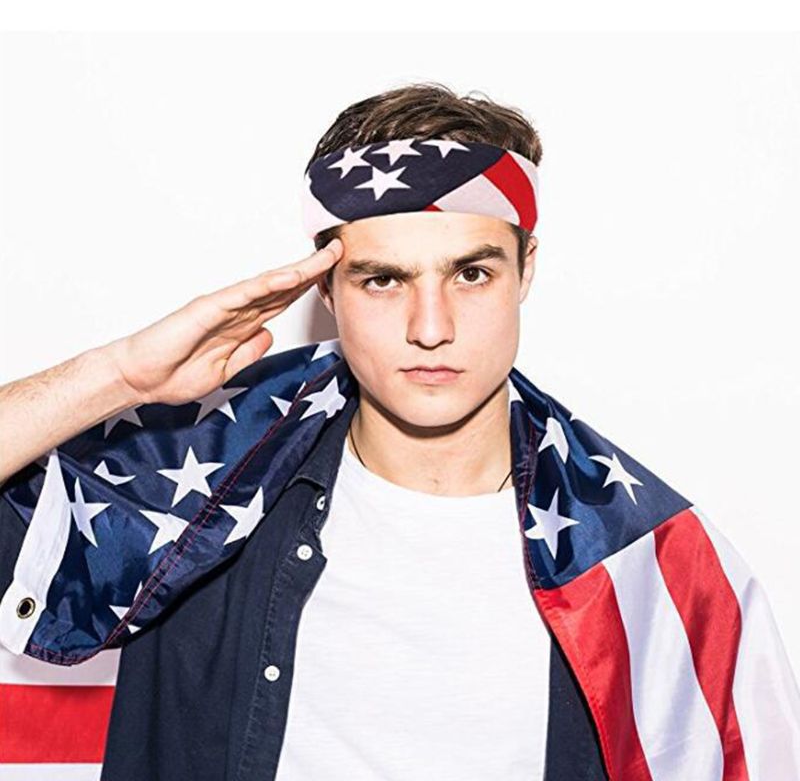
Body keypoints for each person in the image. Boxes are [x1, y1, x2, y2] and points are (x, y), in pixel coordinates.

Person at [1, 81, 799, 781]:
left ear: (527, 272)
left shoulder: (648, 564)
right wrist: (121, 375)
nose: (430, 326)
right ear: (327, 288)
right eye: (383, 279)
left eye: (472, 273)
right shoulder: (191, 502)